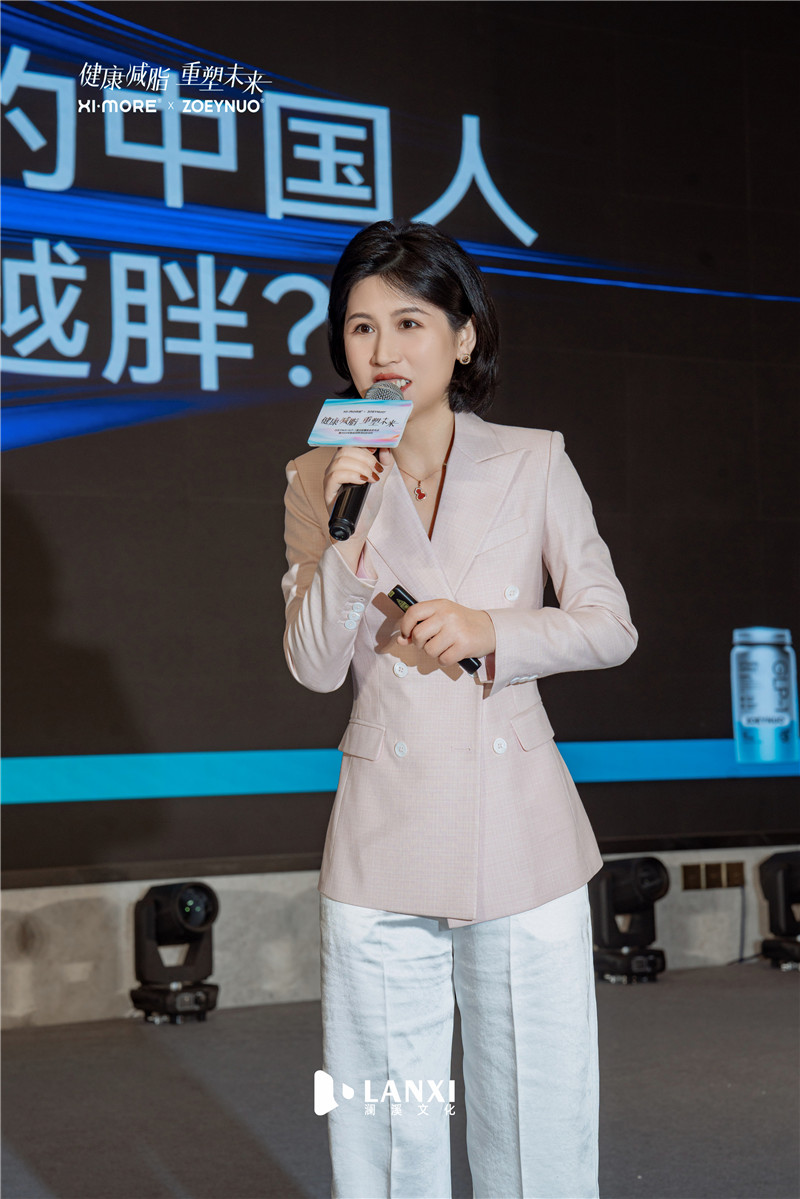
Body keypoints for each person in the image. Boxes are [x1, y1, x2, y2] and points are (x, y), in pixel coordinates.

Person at [281, 220, 637, 1199]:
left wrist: (493, 629)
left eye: (409, 322)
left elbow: (610, 625)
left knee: (535, 1112)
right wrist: (347, 541)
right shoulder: (317, 476)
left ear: (463, 335)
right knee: (383, 1116)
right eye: (360, 327)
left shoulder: (533, 460)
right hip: (382, 831)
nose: (382, 350)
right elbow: (313, 664)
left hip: (519, 827)